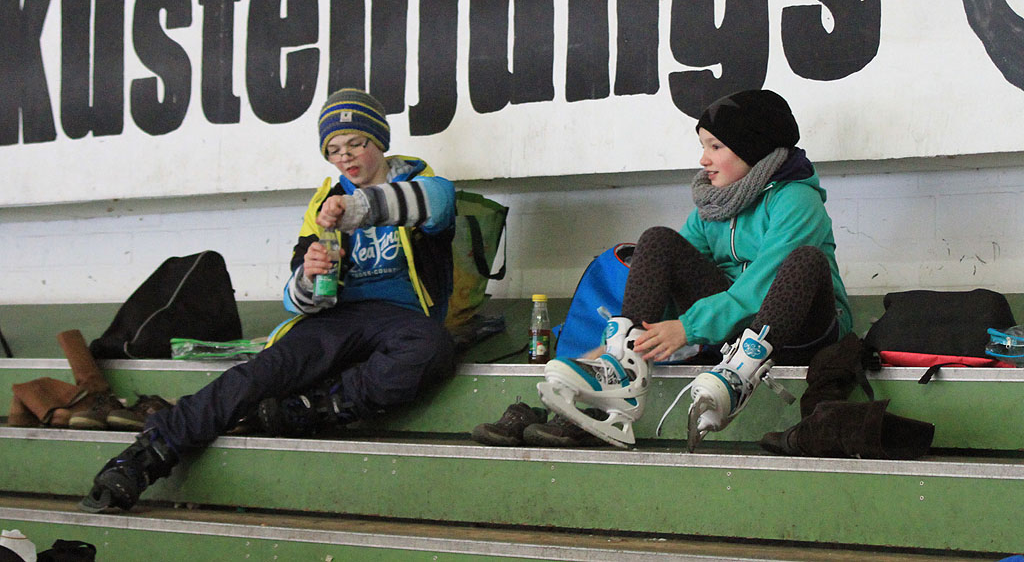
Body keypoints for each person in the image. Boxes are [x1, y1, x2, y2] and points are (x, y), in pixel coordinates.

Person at [79, 88, 457, 512]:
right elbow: (298, 302)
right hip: (338, 319)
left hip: (403, 317)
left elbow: (437, 204)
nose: (346, 157)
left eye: (356, 143)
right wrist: (310, 276)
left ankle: (307, 410)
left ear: (380, 141)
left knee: (432, 346)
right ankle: (143, 457)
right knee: (257, 375)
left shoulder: (422, 184)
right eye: (334, 150)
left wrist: (353, 209)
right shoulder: (321, 204)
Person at [474, 89, 852, 450]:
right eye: (702, 146)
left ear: (753, 148)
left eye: (715, 147)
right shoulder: (717, 203)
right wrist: (620, 345)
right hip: (730, 331)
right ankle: (621, 371)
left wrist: (688, 328)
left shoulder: (797, 199)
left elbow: (760, 286)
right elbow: (670, 277)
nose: (703, 160)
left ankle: (737, 378)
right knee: (657, 241)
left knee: (805, 260)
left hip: (801, 330)